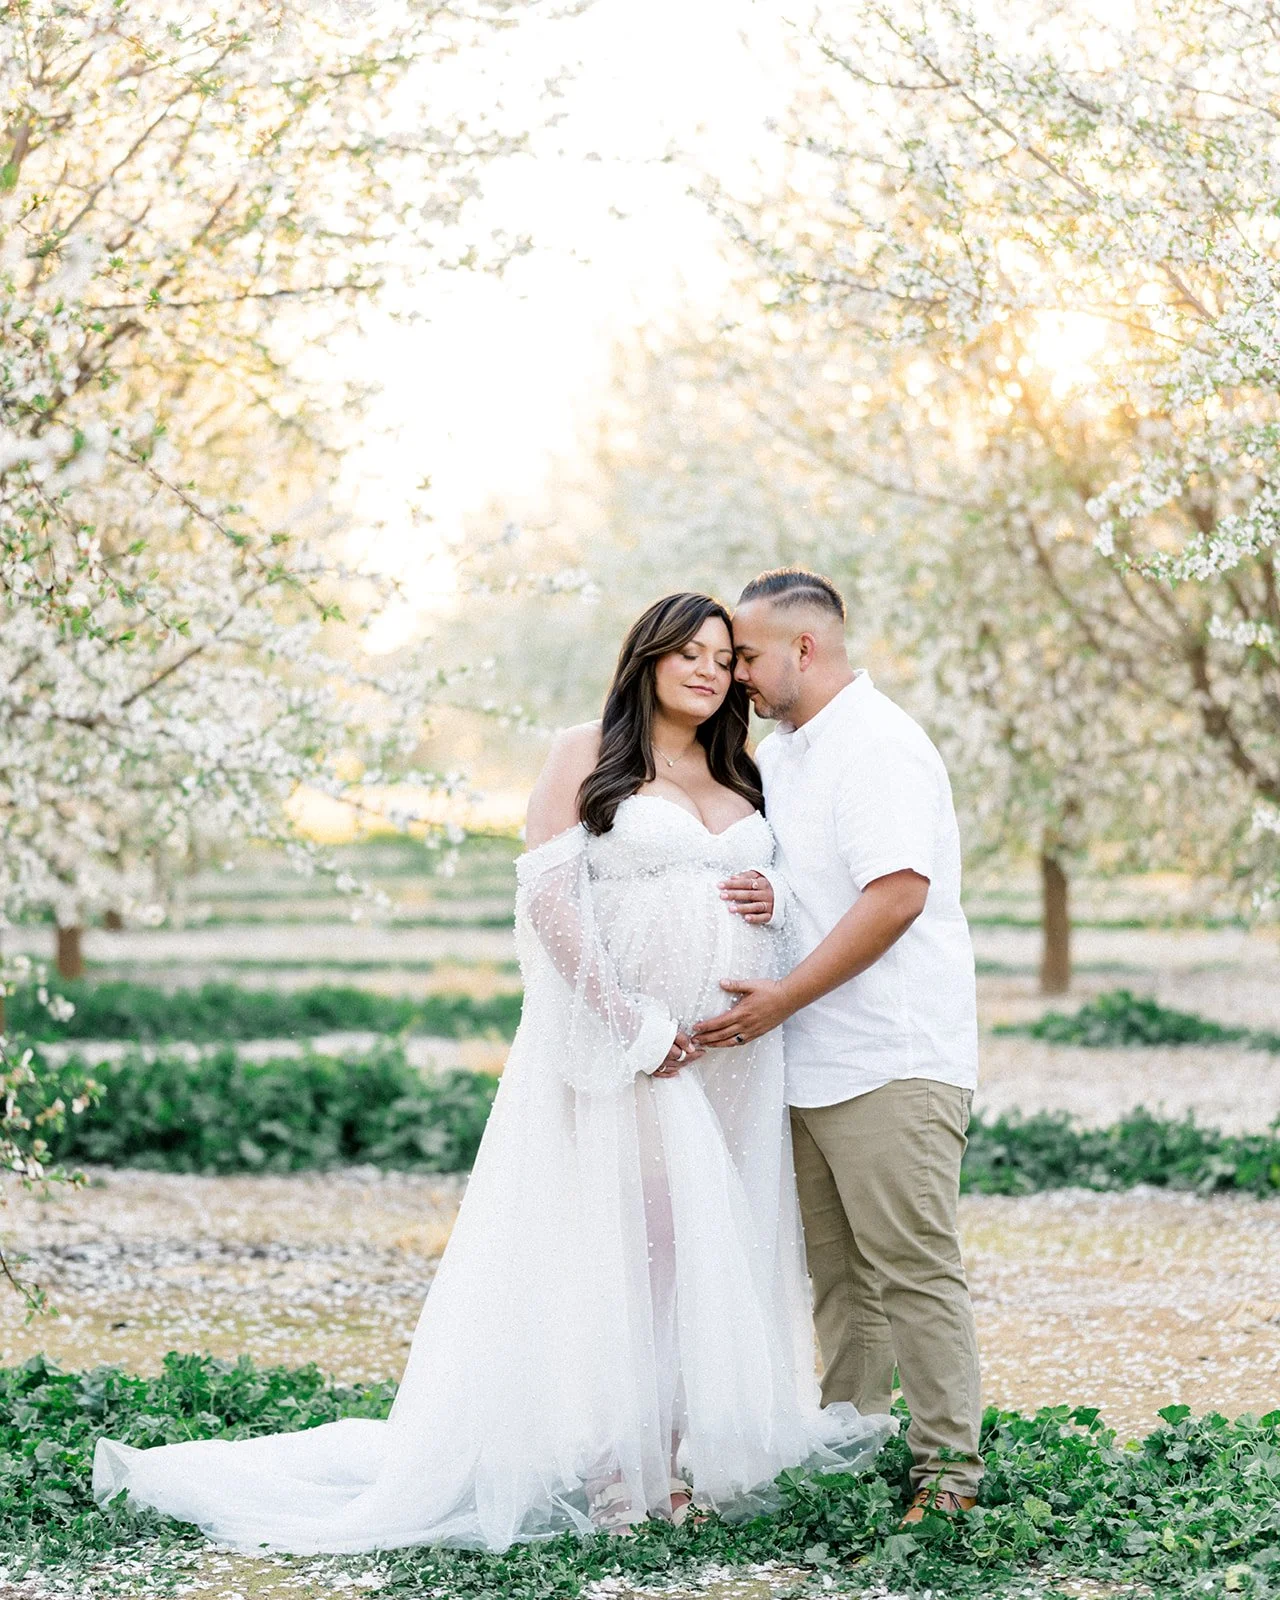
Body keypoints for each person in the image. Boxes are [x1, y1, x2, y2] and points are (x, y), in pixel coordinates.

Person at [92, 591, 891, 1555]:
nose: (707, 671)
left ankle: (676, 1459)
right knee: (625, 1248)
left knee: (701, 1253)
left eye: (724, 659)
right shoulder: (584, 751)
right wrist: (631, 1021)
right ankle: (612, 1472)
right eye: (687, 653)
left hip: (732, 1059)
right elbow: (551, 902)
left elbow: (801, 892)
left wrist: (777, 897)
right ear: (645, 658)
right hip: (633, 1054)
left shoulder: (744, 769)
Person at [693, 568, 984, 1522]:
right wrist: (779, 905)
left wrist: (778, 999)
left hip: (891, 1057)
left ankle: (948, 1481)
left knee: (911, 1269)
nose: (736, 674)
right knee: (841, 1284)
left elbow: (898, 895)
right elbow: (828, 883)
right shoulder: (785, 757)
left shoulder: (878, 746)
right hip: (809, 1059)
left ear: (802, 649)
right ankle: (852, 1451)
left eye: (745, 656)